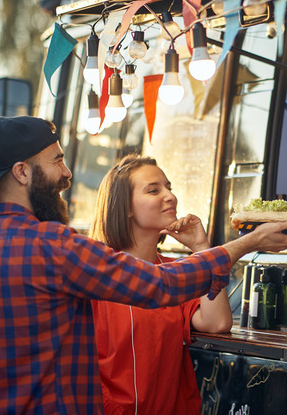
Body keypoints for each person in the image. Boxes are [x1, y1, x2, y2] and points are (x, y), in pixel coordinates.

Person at [0, 116, 287, 414]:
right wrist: (249, 242)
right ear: (21, 172)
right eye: (57, 161)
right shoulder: (53, 246)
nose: (67, 174)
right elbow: (161, 286)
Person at [89, 155, 232, 415]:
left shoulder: (174, 271)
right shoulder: (96, 271)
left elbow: (217, 323)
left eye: (169, 187)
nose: (170, 196)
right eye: (154, 190)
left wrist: (202, 249)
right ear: (125, 207)